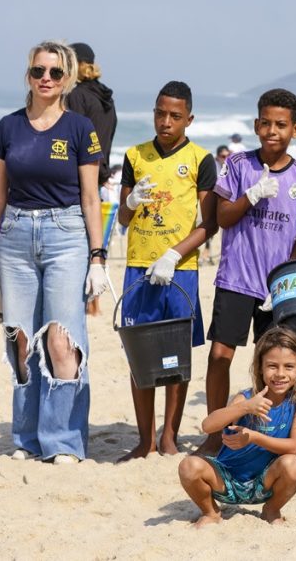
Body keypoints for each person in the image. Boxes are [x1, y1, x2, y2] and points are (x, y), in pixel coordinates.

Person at [0, 40, 109, 463]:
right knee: (19, 339)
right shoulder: (8, 127)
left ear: (68, 78)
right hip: (16, 235)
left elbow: (91, 198)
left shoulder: (79, 129)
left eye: (55, 73)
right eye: (39, 71)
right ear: (29, 75)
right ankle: (26, 439)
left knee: (60, 339)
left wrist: (97, 255)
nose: (46, 79)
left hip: (66, 234)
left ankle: (63, 442)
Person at [197, 89, 296, 455]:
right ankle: (215, 434)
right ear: (255, 125)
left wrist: (284, 282)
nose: (272, 131)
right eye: (265, 123)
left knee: (275, 364)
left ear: (295, 129)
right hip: (237, 277)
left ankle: (268, 435)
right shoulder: (237, 165)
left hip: (275, 289)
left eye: (280, 125)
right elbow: (221, 218)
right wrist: (252, 195)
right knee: (220, 356)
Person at [117, 80, 217, 461]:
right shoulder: (134, 154)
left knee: (176, 356)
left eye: (175, 116)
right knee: (139, 354)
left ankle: (170, 435)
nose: (166, 121)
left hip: (181, 271)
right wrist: (128, 200)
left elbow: (210, 224)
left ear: (189, 119)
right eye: (160, 113)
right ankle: (145, 439)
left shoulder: (200, 160)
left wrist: (174, 255)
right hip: (139, 266)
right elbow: (124, 219)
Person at [178, 327, 296, 527]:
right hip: (226, 480)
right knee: (188, 466)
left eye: (289, 366)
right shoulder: (247, 398)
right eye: (272, 366)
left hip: (264, 483)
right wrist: (245, 407)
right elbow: (208, 425)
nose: (280, 374)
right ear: (260, 368)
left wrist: (255, 438)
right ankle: (211, 512)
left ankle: (271, 510)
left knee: (295, 465)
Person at [66, 42, 117, 188]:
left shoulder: (77, 95)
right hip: (99, 173)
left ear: (77, 64)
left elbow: (77, 139)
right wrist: (103, 173)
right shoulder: (105, 96)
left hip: (80, 178)